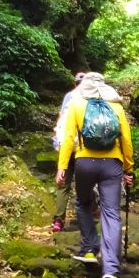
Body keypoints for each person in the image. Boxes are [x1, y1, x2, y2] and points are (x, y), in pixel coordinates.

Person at [56, 71, 134, 278]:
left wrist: (62, 167)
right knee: (111, 213)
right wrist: (129, 168)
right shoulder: (116, 106)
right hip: (113, 164)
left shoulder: (77, 104)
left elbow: (68, 138)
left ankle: (89, 248)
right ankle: (111, 270)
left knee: (82, 202)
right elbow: (126, 141)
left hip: (84, 163)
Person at [51, 72, 86, 233]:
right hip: (83, 147)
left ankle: (58, 220)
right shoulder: (91, 98)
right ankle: (86, 216)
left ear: (74, 83)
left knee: (63, 183)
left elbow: (61, 118)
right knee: (85, 182)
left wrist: (57, 137)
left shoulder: (69, 96)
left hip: (67, 144)